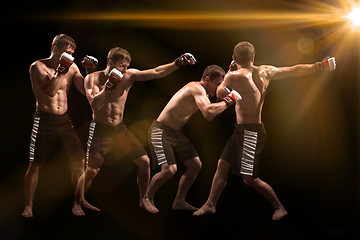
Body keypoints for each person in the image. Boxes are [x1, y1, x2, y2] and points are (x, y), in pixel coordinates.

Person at [194, 41, 336, 220]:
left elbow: (219, 95)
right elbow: (293, 70)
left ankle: (279, 207)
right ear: (253, 57)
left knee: (249, 179)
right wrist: (320, 65)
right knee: (222, 165)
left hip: (250, 133)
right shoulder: (266, 71)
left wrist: (229, 71)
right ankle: (210, 204)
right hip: (245, 131)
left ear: (234, 58)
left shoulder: (234, 76)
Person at [71, 47, 197, 216]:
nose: (124, 70)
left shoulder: (129, 75)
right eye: (122, 66)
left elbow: (157, 72)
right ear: (110, 62)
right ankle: (77, 203)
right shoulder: (92, 79)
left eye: (126, 66)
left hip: (119, 128)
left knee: (144, 162)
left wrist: (177, 63)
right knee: (92, 171)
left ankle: (143, 199)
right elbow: (95, 104)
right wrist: (109, 86)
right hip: (100, 130)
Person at [142, 65, 241, 214]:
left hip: (175, 133)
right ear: (207, 79)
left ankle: (179, 201)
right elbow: (208, 111)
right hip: (160, 130)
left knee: (195, 165)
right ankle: (146, 198)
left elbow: (208, 116)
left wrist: (227, 95)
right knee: (169, 169)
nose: (219, 87)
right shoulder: (196, 88)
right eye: (217, 83)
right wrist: (229, 100)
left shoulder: (205, 95)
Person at [22, 34, 97, 218]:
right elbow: (50, 91)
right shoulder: (37, 67)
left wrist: (88, 72)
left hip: (63, 119)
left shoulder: (72, 67)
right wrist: (61, 70)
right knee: (35, 166)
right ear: (55, 49)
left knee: (79, 162)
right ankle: (28, 206)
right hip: (44, 120)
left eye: (71, 54)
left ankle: (78, 202)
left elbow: (85, 92)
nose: (69, 57)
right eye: (65, 53)